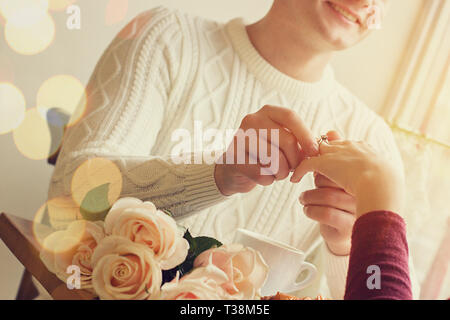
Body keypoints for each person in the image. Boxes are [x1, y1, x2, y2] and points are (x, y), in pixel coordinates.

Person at [49, 0, 417, 298]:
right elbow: (69, 192)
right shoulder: (164, 37)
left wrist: (345, 248)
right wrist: (216, 174)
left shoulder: (373, 141)